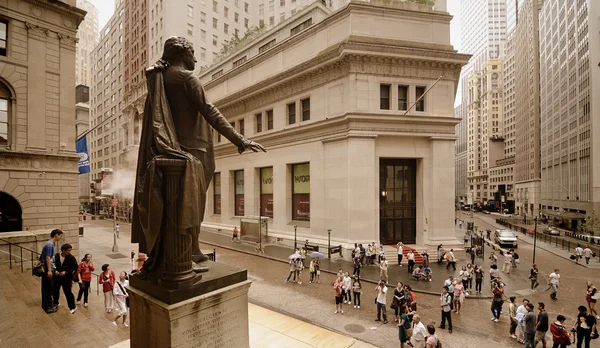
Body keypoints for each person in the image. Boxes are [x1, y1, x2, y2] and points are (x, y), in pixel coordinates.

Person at [131, 37, 266, 273]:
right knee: (193, 204)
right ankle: (189, 252)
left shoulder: (161, 78)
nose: (195, 58)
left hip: (176, 149)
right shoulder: (186, 78)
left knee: (179, 205)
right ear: (181, 54)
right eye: (192, 53)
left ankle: (189, 249)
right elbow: (210, 111)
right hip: (195, 151)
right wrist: (240, 139)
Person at [40, 229, 64, 313]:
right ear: (56, 235)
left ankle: (48, 304)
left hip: (49, 267)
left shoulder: (50, 244)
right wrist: (50, 270)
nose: (60, 237)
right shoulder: (50, 245)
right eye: (60, 235)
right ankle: (47, 306)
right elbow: (48, 258)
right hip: (48, 268)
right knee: (48, 288)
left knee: (49, 287)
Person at [52, 243, 78, 314]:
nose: (69, 252)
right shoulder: (56, 256)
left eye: (70, 250)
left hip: (66, 278)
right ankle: (55, 303)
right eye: (68, 250)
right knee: (55, 290)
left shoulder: (71, 258)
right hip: (57, 277)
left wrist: (66, 272)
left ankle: (72, 307)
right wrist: (55, 271)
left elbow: (75, 267)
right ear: (63, 250)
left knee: (68, 292)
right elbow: (52, 264)